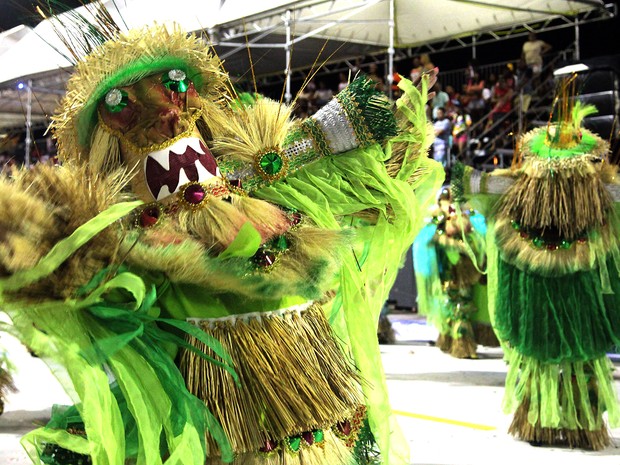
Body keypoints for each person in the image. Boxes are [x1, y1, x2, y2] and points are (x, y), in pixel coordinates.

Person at [0, 10, 443, 465]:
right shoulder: (130, 237)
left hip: (298, 381)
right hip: (207, 407)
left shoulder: (267, 186)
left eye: (175, 87)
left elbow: (361, 176)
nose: (169, 112)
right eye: (124, 105)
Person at [452, 87, 620, 450]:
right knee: (575, 357)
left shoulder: (519, 189)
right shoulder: (595, 192)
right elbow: (471, 184)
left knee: (544, 355)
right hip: (575, 286)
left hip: (540, 286)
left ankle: (541, 424)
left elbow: (469, 183)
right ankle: (577, 426)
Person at [413, 187, 495, 358]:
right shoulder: (438, 222)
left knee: (462, 304)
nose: (452, 206)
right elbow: (427, 241)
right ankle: (453, 340)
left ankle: (461, 342)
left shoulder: (471, 220)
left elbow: (480, 242)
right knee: (451, 304)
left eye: (456, 202)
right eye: (448, 202)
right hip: (448, 271)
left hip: (466, 271)